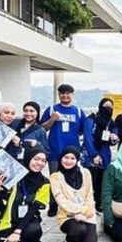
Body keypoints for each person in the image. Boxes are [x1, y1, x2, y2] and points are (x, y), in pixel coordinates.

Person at [0, 147, 50, 242]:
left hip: (27, 221)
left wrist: (18, 231)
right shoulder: (13, 177)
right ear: (28, 158)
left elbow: (34, 208)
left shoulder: (44, 182)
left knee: (34, 230)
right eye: (36, 159)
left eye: (43, 160)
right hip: (6, 223)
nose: (40, 163)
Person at [40, 84, 87, 216]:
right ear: (58, 94)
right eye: (62, 93)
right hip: (55, 151)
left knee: (72, 178)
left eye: (68, 93)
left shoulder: (78, 111)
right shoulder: (51, 109)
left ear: (73, 94)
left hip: (72, 153)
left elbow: (84, 130)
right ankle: (53, 204)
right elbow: (42, 129)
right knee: (55, 179)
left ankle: (70, 203)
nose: (65, 95)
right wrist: (53, 119)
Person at [50, 146, 99, 242]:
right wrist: (78, 212)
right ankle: (70, 241)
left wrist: (84, 212)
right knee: (78, 230)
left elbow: (90, 196)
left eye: (72, 158)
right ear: (61, 158)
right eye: (66, 157)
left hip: (88, 215)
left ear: (77, 160)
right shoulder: (55, 177)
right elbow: (62, 201)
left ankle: (84, 238)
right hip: (68, 216)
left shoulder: (86, 173)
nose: (69, 160)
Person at [82, 98, 119, 213]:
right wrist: (94, 155)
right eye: (106, 105)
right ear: (100, 106)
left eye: (110, 106)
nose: (108, 108)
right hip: (91, 156)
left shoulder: (110, 122)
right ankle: (86, 205)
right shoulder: (91, 120)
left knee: (102, 183)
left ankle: (99, 203)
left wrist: (114, 138)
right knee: (90, 182)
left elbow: (114, 137)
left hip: (105, 156)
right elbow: (87, 138)